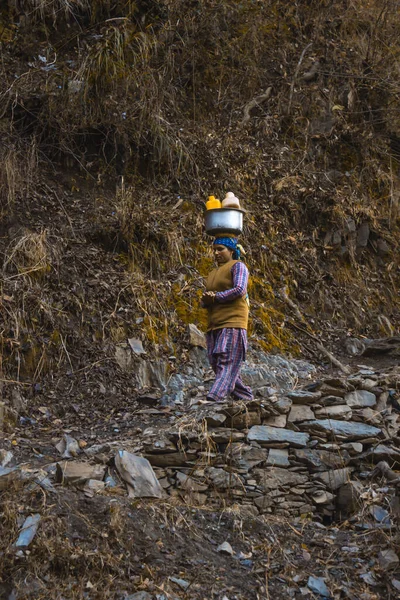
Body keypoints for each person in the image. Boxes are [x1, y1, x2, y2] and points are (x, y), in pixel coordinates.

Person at [201, 236, 253, 403]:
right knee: (216, 363)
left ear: (231, 251)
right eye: (214, 249)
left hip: (233, 322)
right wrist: (206, 300)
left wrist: (215, 297)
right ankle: (246, 398)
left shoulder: (238, 266)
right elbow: (208, 299)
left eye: (220, 249)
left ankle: (214, 399)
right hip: (214, 325)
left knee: (227, 360)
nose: (216, 253)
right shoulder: (213, 273)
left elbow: (239, 289)